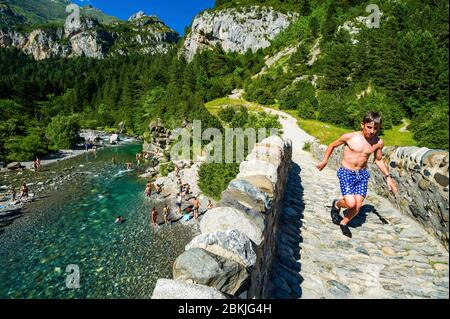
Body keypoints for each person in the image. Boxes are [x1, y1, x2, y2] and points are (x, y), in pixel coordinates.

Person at [316, 111, 398, 238]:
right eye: (369, 127)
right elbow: (332, 145)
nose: (371, 131)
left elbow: (378, 160)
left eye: (375, 128)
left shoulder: (378, 142)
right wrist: (325, 160)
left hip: (362, 175)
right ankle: (337, 204)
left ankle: (344, 223)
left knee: (358, 205)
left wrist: (388, 177)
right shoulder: (350, 137)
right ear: (362, 125)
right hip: (346, 173)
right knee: (350, 204)